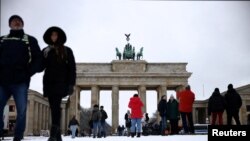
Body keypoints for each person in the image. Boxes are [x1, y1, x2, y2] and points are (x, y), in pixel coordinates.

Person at [0, 15, 43, 141]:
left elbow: (38, 59)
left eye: (19, 21)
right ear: (9, 25)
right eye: (14, 21)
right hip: (2, 80)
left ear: (23, 24)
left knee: (22, 110)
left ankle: (18, 136)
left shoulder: (30, 40)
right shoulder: (2, 40)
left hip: (20, 81)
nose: (16, 23)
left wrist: (27, 72)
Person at [42, 26, 76, 141]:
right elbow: (40, 66)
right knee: (54, 108)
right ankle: (58, 137)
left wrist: (71, 84)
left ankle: (52, 136)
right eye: (52, 35)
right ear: (49, 37)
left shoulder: (67, 50)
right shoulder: (46, 50)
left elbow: (72, 68)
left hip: (61, 83)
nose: (54, 37)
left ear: (59, 36)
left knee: (56, 108)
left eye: (55, 35)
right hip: (49, 83)